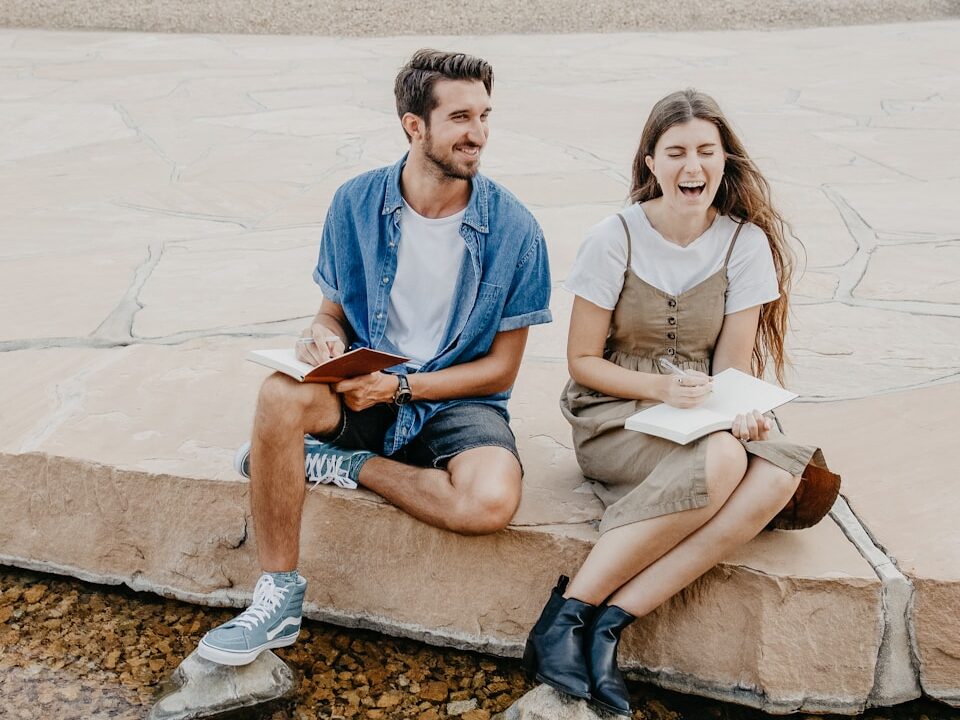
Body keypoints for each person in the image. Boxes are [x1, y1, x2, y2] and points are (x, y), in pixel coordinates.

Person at [196, 49, 552, 666]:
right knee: (280, 393)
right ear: (415, 126)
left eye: (485, 116)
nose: (479, 135)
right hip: (360, 384)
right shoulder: (355, 203)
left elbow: (500, 370)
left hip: (453, 400)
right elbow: (329, 310)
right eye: (461, 118)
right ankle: (277, 595)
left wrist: (404, 390)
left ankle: (339, 465)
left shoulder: (516, 229)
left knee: (489, 501)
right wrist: (322, 336)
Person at [523, 89, 836, 717]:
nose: (692, 167)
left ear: (725, 161)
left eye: (705, 151)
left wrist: (743, 410)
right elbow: (582, 362)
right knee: (722, 463)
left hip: (702, 408)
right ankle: (564, 618)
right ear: (650, 163)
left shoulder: (744, 244)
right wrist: (663, 389)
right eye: (676, 153)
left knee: (778, 473)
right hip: (616, 409)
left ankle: (609, 625)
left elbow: (730, 368)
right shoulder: (614, 238)